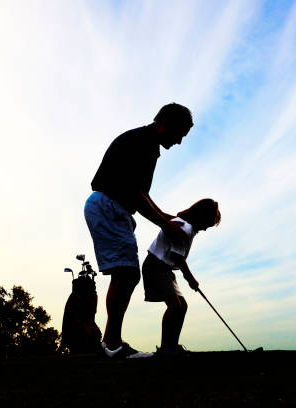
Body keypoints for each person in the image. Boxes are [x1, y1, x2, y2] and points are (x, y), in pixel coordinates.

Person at [84, 103, 193, 358]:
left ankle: (111, 343)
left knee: (127, 273)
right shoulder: (143, 144)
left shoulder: (146, 143)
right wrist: (164, 223)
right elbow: (135, 192)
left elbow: (141, 194)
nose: (178, 142)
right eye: (179, 134)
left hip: (112, 207)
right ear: (165, 123)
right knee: (126, 273)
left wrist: (165, 216)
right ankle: (111, 344)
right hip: (109, 205)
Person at [142, 198, 221, 356]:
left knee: (182, 306)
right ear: (201, 217)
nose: (205, 229)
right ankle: (166, 348)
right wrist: (191, 279)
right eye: (208, 224)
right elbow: (178, 258)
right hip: (156, 267)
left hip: (165, 268)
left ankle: (173, 345)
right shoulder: (184, 228)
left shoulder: (186, 226)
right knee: (175, 305)